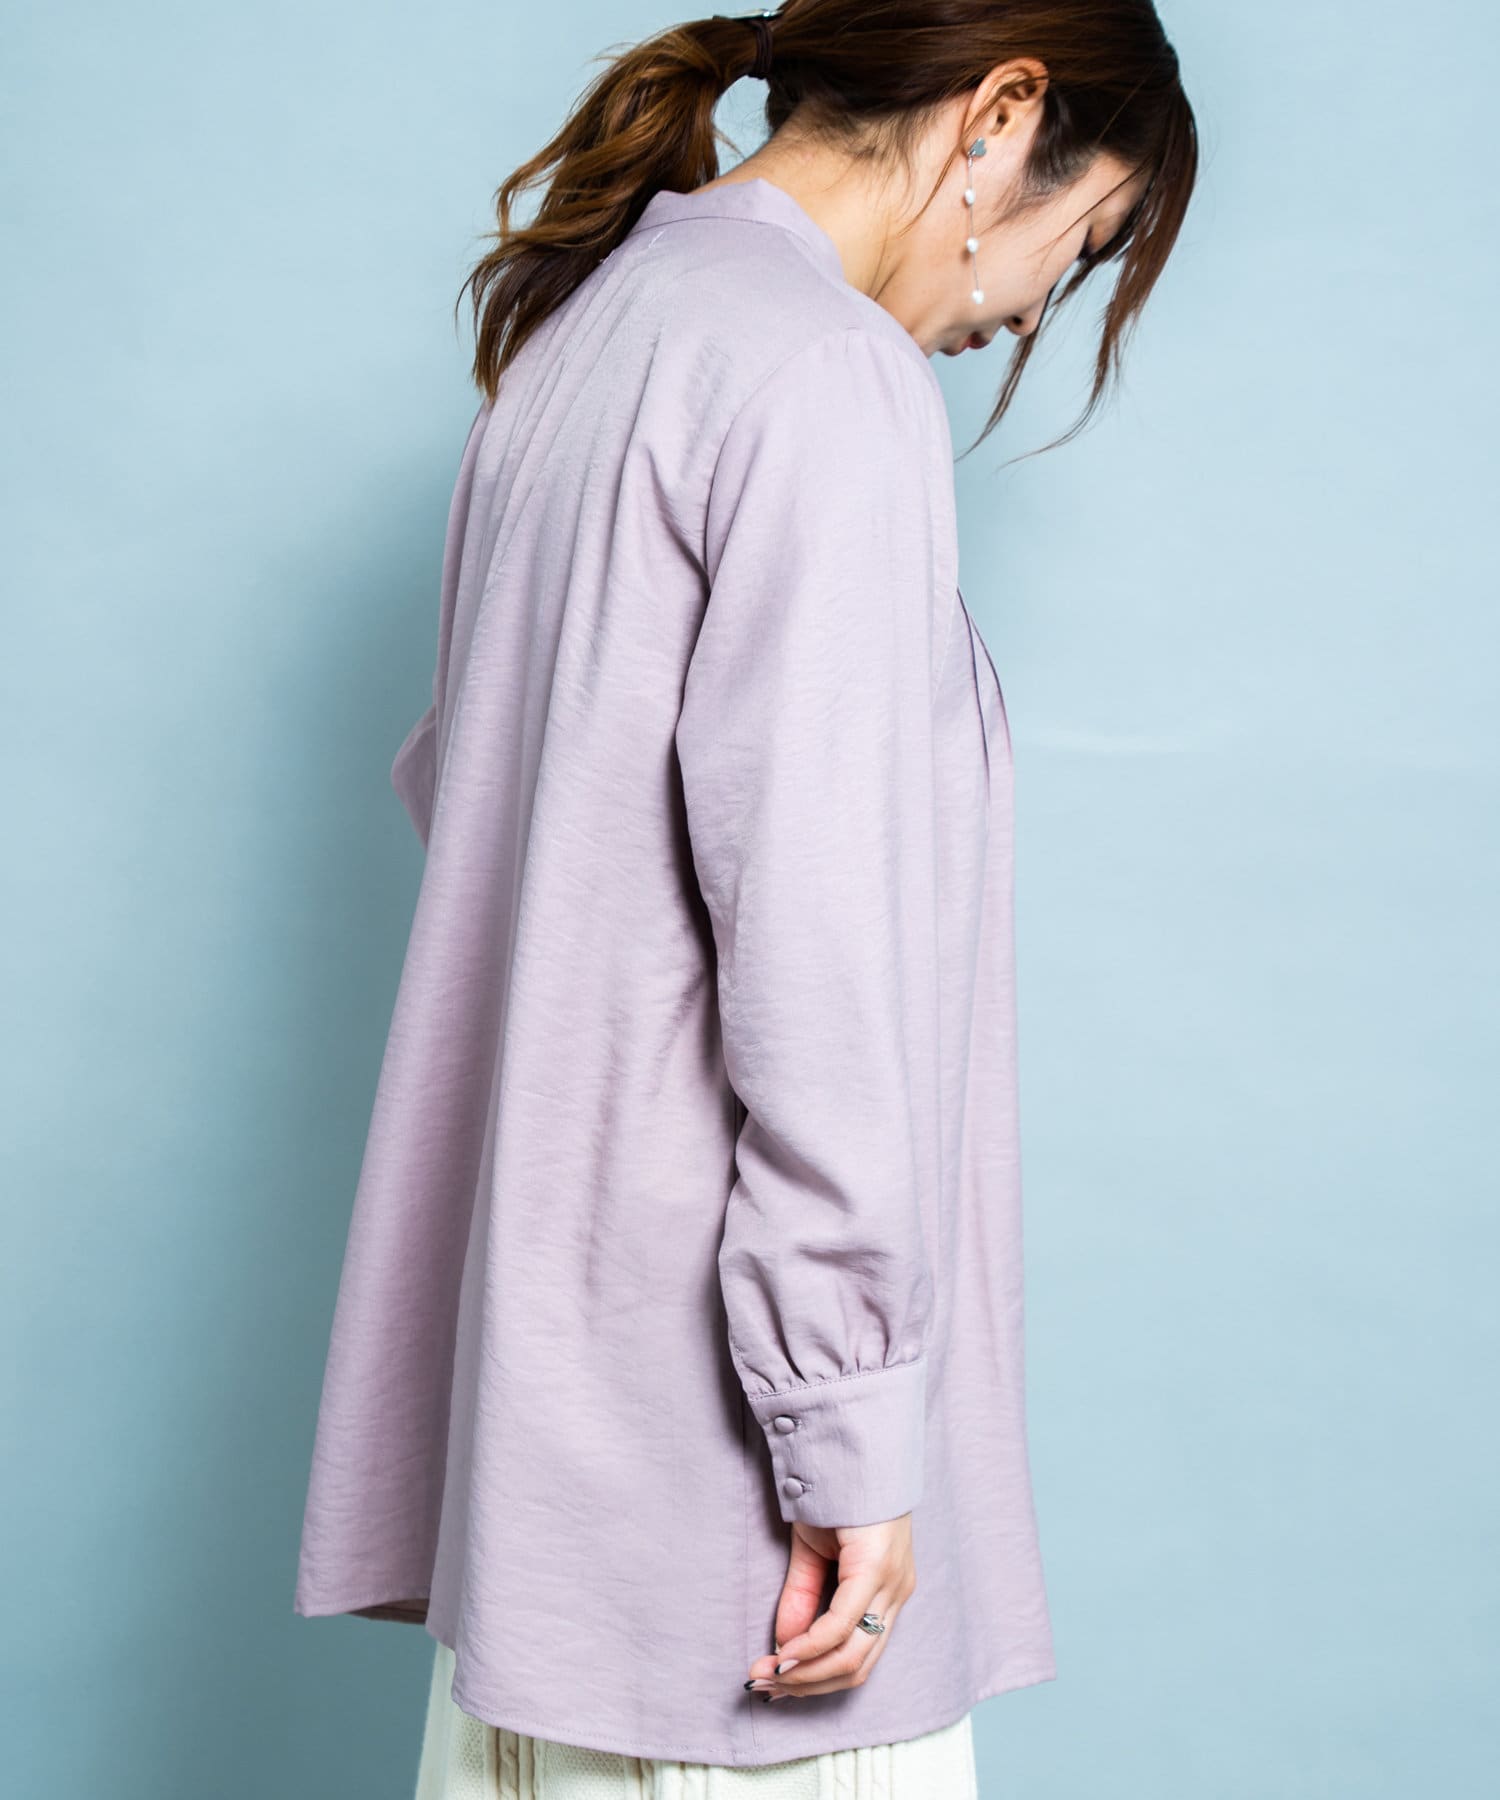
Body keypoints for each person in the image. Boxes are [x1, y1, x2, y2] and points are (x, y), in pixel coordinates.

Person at [293, 3, 1197, 1794]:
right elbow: (816, 952)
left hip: (549, 1491)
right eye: (1080, 247)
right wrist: (848, 1431)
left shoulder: (586, 339)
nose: (1032, 312)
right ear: (1002, 112)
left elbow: (508, 841)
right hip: (737, 1524)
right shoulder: (822, 377)